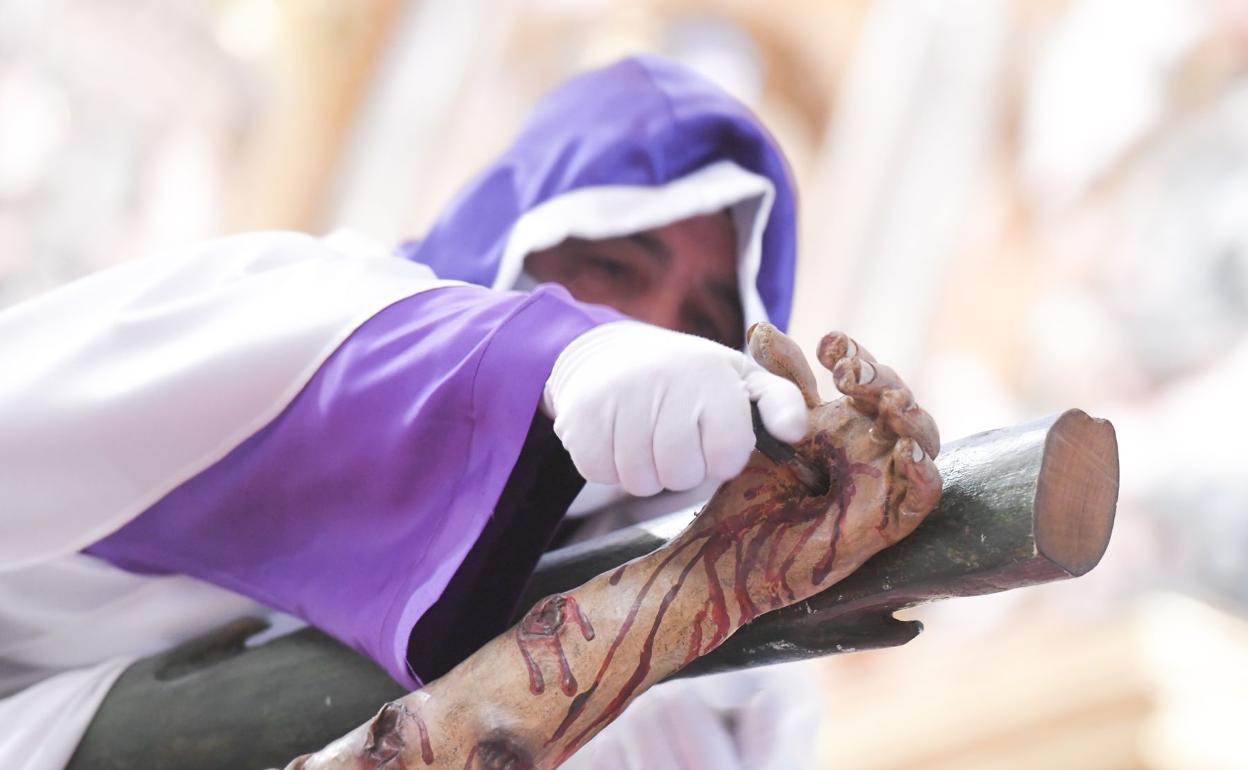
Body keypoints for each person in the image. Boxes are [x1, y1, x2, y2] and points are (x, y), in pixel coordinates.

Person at [0, 56, 813, 769]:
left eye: (704, 323)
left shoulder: (680, 636)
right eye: (612, 264)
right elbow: (327, 359)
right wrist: (564, 357)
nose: (656, 326)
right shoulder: (304, 300)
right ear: (516, 232)